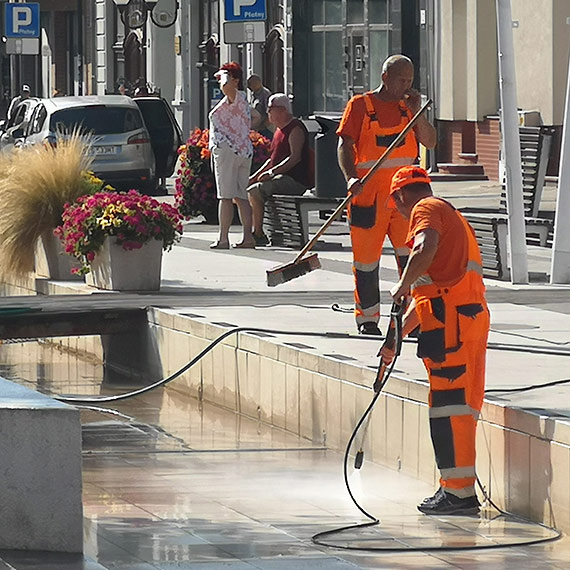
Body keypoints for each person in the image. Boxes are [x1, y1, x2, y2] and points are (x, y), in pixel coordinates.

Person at [380, 165, 490, 516]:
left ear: (400, 196)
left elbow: (423, 248)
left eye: (396, 206)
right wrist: (396, 339)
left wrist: (401, 284)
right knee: (460, 406)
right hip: (463, 317)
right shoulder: (449, 213)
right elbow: (428, 298)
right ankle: (458, 489)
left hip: (452, 324)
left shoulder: (425, 209)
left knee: (449, 407)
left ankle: (458, 494)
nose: (398, 215)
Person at [337, 54, 437, 336]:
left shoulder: (410, 108)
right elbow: (344, 145)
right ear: (385, 77)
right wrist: (351, 178)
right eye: (401, 79)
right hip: (368, 197)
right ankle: (368, 319)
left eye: (410, 80)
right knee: (366, 263)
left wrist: (420, 113)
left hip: (407, 201)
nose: (406, 85)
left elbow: (429, 140)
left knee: (413, 258)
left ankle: (412, 319)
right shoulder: (360, 106)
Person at [247, 93, 313, 246]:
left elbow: (294, 157)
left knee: (256, 191)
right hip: (280, 177)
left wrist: (272, 173)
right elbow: (272, 160)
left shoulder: (295, 128)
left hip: (295, 180)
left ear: (283, 110)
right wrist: (255, 176)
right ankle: (263, 230)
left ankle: (258, 234)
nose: (268, 112)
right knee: (250, 187)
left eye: (271, 109)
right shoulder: (278, 131)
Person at [208, 61, 256, 249]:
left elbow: (226, 85)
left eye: (225, 77)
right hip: (244, 149)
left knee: (226, 196)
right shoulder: (243, 99)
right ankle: (247, 237)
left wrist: (224, 75)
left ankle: (223, 238)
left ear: (235, 80)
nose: (221, 80)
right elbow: (257, 117)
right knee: (241, 196)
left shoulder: (234, 95)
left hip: (228, 149)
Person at [247, 74, 273, 139]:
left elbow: (269, 111)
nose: (249, 87)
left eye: (250, 84)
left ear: (257, 83)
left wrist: (263, 126)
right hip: (256, 128)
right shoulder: (253, 94)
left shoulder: (265, 94)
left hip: (265, 129)